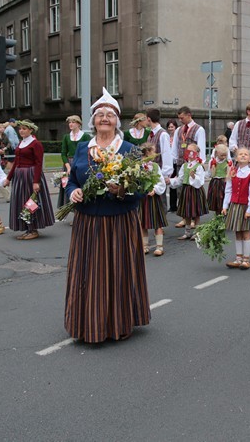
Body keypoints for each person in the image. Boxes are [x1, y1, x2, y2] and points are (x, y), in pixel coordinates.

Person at [64, 88, 151, 342]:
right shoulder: (82, 148)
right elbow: (71, 181)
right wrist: (74, 192)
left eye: (109, 115)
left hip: (119, 222)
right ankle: (86, 323)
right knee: (87, 274)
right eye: (100, 115)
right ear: (93, 121)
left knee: (118, 273)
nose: (104, 119)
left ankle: (119, 323)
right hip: (87, 222)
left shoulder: (129, 150)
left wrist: (121, 191)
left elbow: (141, 191)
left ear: (117, 121)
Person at [3, 120, 55, 240]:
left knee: (31, 201)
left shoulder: (35, 144)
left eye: (24, 129)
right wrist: (8, 178)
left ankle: (33, 228)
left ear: (30, 130)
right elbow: (16, 162)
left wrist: (36, 181)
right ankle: (27, 228)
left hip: (30, 175)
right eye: (20, 128)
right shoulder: (21, 143)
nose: (21, 131)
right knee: (21, 201)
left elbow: (38, 163)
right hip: (20, 176)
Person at [222, 147, 250, 270]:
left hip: (245, 206)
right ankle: (238, 259)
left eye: (246, 155)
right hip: (234, 205)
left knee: (245, 232)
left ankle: (246, 260)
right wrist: (225, 206)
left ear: (249, 159)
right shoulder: (233, 172)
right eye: (240, 154)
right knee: (237, 232)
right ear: (236, 158)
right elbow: (228, 190)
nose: (243, 156)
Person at [172, 106, 206, 227]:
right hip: (182, 163)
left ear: (189, 115)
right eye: (179, 118)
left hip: (194, 164)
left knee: (193, 193)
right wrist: (175, 160)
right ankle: (184, 216)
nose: (180, 120)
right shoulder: (179, 130)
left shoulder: (198, 129)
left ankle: (193, 217)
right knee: (181, 192)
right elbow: (175, 146)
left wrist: (200, 163)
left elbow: (200, 146)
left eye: (182, 117)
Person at [170, 143, 207, 240]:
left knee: (196, 212)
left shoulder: (199, 166)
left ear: (196, 153)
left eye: (192, 152)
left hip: (195, 191)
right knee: (187, 213)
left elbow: (201, 181)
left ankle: (197, 233)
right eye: (188, 151)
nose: (189, 154)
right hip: (186, 190)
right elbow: (180, 179)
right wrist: (171, 182)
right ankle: (187, 232)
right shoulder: (184, 165)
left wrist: (194, 176)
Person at [138, 143, 168, 256]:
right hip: (143, 198)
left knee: (157, 223)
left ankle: (159, 246)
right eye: (153, 152)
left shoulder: (155, 166)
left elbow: (161, 181)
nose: (155, 154)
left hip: (153, 198)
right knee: (142, 223)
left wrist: (154, 189)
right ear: (147, 153)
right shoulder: (138, 166)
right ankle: (144, 245)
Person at [59, 115, 91, 209]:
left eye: (73, 122)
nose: (70, 124)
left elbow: (88, 151)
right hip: (69, 163)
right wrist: (68, 167)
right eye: (69, 122)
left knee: (80, 186)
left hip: (81, 163)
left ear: (78, 124)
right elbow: (63, 153)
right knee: (69, 187)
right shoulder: (66, 137)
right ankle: (69, 209)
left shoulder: (85, 136)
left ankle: (79, 210)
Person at [207, 142, 232, 215]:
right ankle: (217, 215)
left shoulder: (228, 162)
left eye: (225, 155)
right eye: (222, 155)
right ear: (217, 153)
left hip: (224, 182)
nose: (224, 157)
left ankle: (224, 214)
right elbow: (209, 172)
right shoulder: (212, 162)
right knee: (216, 199)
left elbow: (230, 172)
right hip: (215, 182)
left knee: (223, 198)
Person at [166, 119, 179, 212]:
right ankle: (172, 205)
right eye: (169, 127)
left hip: (176, 162)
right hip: (169, 163)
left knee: (178, 183)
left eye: (172, 127)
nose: (170, 129)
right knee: (171, 184)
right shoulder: (166, 137)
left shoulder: (178, 137)